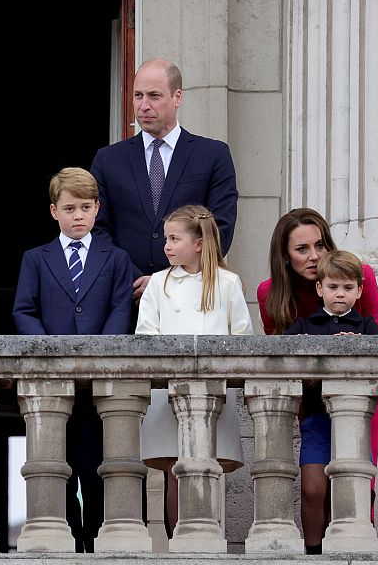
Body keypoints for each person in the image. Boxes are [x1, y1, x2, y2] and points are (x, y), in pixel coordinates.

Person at [256, 208, 378, 554]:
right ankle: (317, 551)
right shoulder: (270, 293)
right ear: (284, 256)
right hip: (313, 398)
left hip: (369, 393)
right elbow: (280, 361)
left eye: (319, 245)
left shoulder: (361, 276)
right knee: (316, 482)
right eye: (302, 249)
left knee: (358, 472)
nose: (314, 256)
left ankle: (356, 544)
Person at [13, 167, 133, 551]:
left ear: (97, 208)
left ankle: (97, 542)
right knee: (55, 467)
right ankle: (65, 542)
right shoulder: (36, 258)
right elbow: (24, 310)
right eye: (69, 208)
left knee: (96, 467)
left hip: (100, 388)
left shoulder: (115, 258)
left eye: (85, 207)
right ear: (54, 212)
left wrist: (100, 356)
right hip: (53, 387)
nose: (77, 215)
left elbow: (120, 310)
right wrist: (50, 352)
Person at [135, 205, 251, 537]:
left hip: (213, 394)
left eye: (174, 238)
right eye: (166, 239)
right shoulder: (159, 283)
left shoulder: (228, 283)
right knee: (174, 469)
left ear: (198, 243)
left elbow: (243, 337)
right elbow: (146, 336)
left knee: (208, 467)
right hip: (167, 392)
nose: (166, 246)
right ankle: (177, 545)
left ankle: (208, 540)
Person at [90, 59, 238, 303]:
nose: (143, 106)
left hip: (191, 298)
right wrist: (134, 279)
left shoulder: (212, 155)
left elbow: (220, 227)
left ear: (177, 97)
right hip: (126, 298)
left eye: (154, 96)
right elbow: (97, 228)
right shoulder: (108, 160)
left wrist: (168, 280)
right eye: (138, 95)